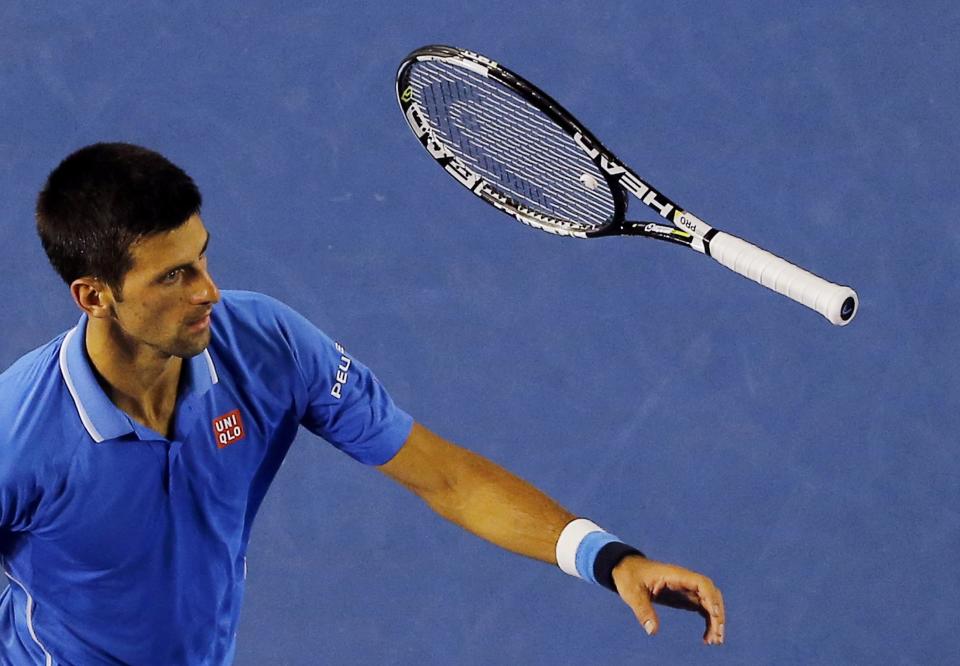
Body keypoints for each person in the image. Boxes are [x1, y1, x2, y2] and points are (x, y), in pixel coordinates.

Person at [0, 143, 724, 664]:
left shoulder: (265, 346)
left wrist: (609, 558)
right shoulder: (18, 434)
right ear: (94, 296)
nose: (209, 291)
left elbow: (447, 478)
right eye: (174, 277)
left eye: (205, 257)